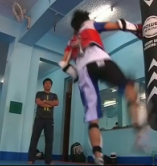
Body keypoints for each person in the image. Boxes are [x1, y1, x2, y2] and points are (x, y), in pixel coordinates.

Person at [58, 10, 146, 165]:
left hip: (84, 71)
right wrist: (137, 28)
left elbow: (63, 64)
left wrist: (76, 75)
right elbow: (117, 24)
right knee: (128, 88)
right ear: (85, 19)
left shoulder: (70, 42)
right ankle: (139, 130)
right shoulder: (89, 25)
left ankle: (97, 154)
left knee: (93, 119)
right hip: (101, 61)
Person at [28, 78, 59, 165]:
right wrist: (50, 103)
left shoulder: (54, 95)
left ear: (51, 85)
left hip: (49, 120)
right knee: (34, 139)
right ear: (43, 85)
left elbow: (56, 103)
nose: (48, 84)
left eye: (49, 83)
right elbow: (38, 102)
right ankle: (31, 159)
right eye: (46, 83)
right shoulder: (39, 93)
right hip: (39, 119)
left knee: (49, 140)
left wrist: (44, 101)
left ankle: (48, 160)